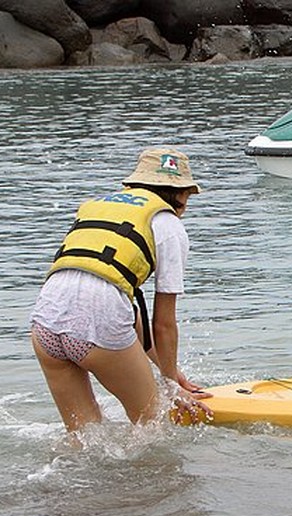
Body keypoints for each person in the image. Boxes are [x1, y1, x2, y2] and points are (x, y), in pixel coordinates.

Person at [30, 147, 212, 431]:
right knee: (155, 426)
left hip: (45, 321)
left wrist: (172, 373)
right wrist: (171, 387)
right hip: (98, 323)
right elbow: (163, 324)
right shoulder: (168, 225)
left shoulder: (103, 207)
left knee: (83, 436)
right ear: (179, 195)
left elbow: (122, 309)